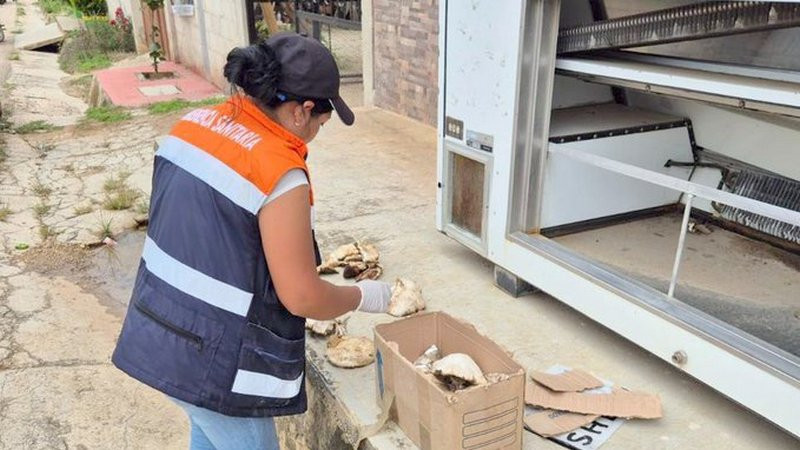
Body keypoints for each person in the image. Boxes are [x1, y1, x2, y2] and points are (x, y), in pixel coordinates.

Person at [111, 33, 393, 450]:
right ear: (302, 111)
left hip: (156, 330)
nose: (316, 132)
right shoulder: (279, 172)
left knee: (206, 435)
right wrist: (362, 296)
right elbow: (301, 295)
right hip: (210, 362)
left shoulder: (190, 127)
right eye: (320, 123)